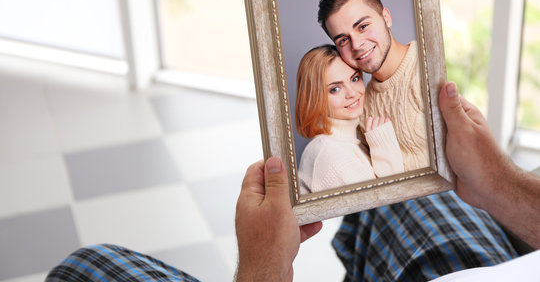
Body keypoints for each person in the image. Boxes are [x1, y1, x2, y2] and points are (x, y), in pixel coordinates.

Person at [46, 82, 540, 281]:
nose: (352, 94)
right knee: (406, 196)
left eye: (353, 82)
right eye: (335, 86)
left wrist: (266, 264)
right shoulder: (332, 151)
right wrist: (497, 181)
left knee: (85, 266)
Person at [318, 0, 429, 172]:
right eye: (343, 40)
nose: (357, 44)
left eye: (362, 26)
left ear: (386, 17)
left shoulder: (428, 67)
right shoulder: (359, 106)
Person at [295, 44, 404, 194]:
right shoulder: (329, 152)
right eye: (335, 89)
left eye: (355, 78)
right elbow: (387, 203)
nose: (352, 93)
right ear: (314, 98)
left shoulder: (346, 144)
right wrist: (384, 148)